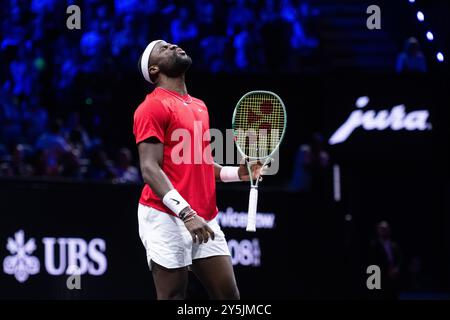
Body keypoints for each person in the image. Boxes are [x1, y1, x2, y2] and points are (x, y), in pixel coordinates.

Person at [134, 40, 263, 300]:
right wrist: (185, 213)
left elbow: (201, 163)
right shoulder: (152, 107)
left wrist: (237, 174)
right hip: (165, 216)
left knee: (229, 296)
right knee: (173, 297)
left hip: (204, 215)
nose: (173, 46)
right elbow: (149, 168)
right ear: (154, 69)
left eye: (171, 44)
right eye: (164, 48)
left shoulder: (199, 106)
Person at [368, 221, 402, 299]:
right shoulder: (373, 245)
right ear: (377, 230)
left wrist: (396, 269)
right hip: (379, 280)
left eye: (386, 229)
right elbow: (372, 263)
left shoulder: (394, 245)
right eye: (382, 229)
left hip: (393, 281)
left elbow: (399, 260)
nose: (384, 231)